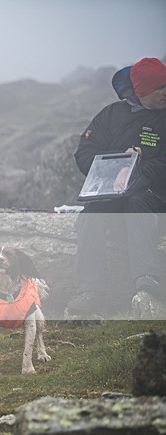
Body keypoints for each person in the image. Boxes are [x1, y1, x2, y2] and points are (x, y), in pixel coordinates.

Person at [66, 57, 166, 317]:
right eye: (159, 88)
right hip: (112, 192)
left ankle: (147, 282)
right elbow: (85, 152)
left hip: (153, 192)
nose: (165, 92)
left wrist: (139, 166)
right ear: (141, 91)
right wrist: (115, 166)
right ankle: (91, 292)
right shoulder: (111, 114)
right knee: (90, 216)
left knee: (137, 205)